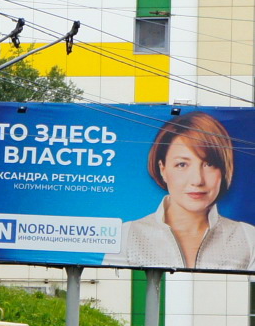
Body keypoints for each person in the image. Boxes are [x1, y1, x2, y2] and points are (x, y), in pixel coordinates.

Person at [104, 113, 255, 270]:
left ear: (223, 170)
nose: (197, 180)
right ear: (162, 169)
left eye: (209, 164)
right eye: (182, 164)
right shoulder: (126, 236)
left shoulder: (248, 238)